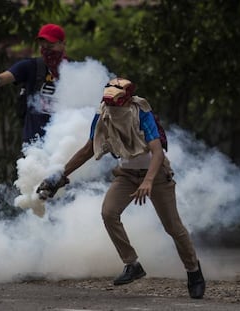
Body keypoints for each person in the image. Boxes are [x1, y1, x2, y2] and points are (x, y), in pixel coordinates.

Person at [36, 78, 206, 299]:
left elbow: (158, 153)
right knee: (109, 212)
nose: (112, 109)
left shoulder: (141, 113)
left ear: (126, 100)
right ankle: (132, 264)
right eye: (109, 104)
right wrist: (60, 175)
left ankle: (194, 272)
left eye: (116, 104)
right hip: (126, 175)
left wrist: (148, 181)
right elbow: (89, 149)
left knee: (173, 227)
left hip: (156, 175)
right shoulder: (103, 114)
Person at [0, 23, 68, 145]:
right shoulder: (31, 66)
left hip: (66, 142)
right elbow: (5, 77)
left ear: (63, 44)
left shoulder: (76, 69)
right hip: (35, 144)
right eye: (43, 46)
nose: (47, 51)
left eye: (51, 45)